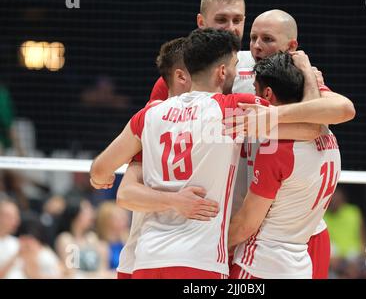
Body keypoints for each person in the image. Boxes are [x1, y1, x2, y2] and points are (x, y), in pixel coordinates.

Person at [91, 28, 271, 278]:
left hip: (148, 258)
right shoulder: (230, 108)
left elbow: (99, 170)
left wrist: (102, 179)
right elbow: (306, 120)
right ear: (221, 72)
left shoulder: (150, 114)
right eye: (234, 66)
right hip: (199, 261)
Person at [228, 52, 341, 279]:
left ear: (267, 93)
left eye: (255, 89)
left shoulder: (278, 149)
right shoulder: (329, 135)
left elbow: (246, 224)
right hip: (299, 264)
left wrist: (214, 247)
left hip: (260, 263)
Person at [55, 198, 111, 278]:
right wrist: (99, 275)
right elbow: (71, 273)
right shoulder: (66, 239)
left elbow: (103, 269)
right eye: (87, 211)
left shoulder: (92, 238)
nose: (92, 214)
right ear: (75, 214)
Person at [95, 201, 129, 270]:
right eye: (120, 217)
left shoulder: (127, 240)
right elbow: (102, 273)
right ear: (107, 221)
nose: (125, 220)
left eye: (125, 217)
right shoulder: (102, 246)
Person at [0, 199, 21, 278]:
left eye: (16, 216)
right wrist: (17, 255)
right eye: (10, 217)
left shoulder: (17, 242)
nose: (16, 221)